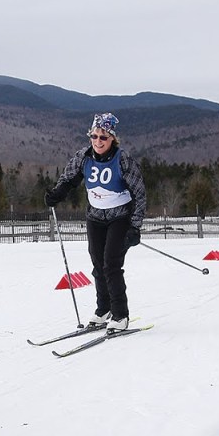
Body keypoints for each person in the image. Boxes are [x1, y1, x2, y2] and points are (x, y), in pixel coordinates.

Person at [44, 113, 146, 331]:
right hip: (95, 217)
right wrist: (57, 194)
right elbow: (69, 178)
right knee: (98, 265)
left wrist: (135, 226)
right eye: (95, 136)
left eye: (104, 137)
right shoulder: (84, 156)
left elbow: (139, 193)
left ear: (112, 139)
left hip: (120, 218)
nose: (98, 141)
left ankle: (121, 314)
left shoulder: (122, 159)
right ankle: (104, 308)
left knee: (111, 265)